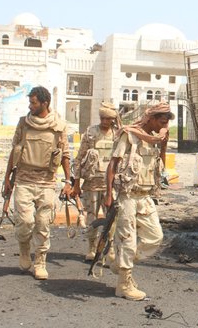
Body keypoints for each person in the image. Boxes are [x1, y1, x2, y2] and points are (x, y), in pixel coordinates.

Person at [104, 102, 171, 300]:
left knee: (155, 237)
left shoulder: (156, 139)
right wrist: (109, 194)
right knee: (127, 240)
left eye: (167, 122)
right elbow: (113, 165)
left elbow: (162, 166)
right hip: (128, 195)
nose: (165, 125)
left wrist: (164, 143)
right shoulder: (130, 135)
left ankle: (120, 264)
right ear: (150, 118)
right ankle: (124, 284)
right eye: (162, 121)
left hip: (145, 196)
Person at [3, 86, 72, 280]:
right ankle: (25, 249)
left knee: (43, 223)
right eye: (30, 102)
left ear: (44, 103)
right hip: (24, 180)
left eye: (33, 102)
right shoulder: (24, 123)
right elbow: (14, 150)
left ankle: (40, 261)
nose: (30, 106)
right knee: (25, 221)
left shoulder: (58, 125)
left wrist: (67, 181)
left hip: (47, 182)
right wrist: (7, 178)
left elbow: (65, 154)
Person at [71, 102, 120, 261]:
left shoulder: (117, 134)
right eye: (103, 118)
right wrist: (76, 184)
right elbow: (78, 159)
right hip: (92, 183)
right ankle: (92, 248)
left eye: (109, 118)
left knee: (111, 219)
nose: (105, 121)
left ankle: (109, 249)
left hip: (110, 186)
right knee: (91, 218)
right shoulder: (91, 133)